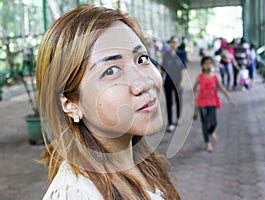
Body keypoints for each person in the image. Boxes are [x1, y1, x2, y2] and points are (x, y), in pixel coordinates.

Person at [36, 5, 181, 200]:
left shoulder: (141, 162)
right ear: (70, 103)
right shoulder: (77, 193)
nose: (144, 82)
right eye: (111, 71)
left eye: (142, 59)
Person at [192, 56, 237, 152]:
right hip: (202, 102)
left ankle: (211, 132)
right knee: (204, 123)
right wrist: (191, 102)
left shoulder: (215, 77)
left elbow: (223, 89)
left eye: (209, 63)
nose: (208, 65)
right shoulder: (200, 77)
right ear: (202, 66)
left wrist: (230, 100)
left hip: (212, 102)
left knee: (214, 122)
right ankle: (207, 143)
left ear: (212, 65)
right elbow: (194, 90)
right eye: (205, 63)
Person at [161, 36, 186, 132]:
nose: (174, 44)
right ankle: (170, 123)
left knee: (178, 100)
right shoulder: (166, 55)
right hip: (168, 81)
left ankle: (179, 118)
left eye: (175, 42)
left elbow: (184, 68)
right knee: (169, 102)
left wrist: (183, 81)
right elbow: (163, 70)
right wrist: (160, 80)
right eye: (172, 42)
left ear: (178, 43)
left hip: (178, 81)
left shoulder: (181, 54)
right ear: (170, 43)